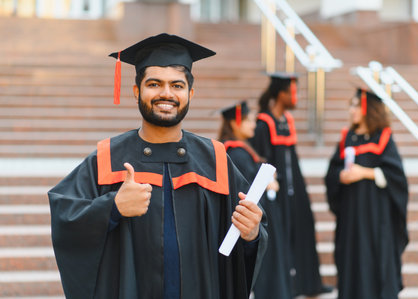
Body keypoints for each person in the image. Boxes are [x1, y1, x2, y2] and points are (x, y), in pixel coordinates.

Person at [48, 33, 268, 299]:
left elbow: (248, 237)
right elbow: (65, 217)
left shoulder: (215, 159)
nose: (166, 93)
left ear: (190, 93)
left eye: (177, 85)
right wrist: (112, 207)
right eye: (154, 84)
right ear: (136, 91)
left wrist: (252, 233)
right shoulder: (108, 157)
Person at [249, 73, 330, 297]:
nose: (297, 97)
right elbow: (260, 160)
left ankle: (308, 282)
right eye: (293, 92)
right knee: (279, 237)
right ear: (281, 94)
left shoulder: (286, 121)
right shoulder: (263, 123)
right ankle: (286, 285)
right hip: (276, 191)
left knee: (303, 229)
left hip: (295, 189)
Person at [324, 88, 409, 299]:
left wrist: (365, 173)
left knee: (376, 261)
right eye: (351, 105)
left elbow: (397, 177)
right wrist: (339, 176)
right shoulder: (348, 138)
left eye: (355, 105)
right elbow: (332, 172)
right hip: (351, 218)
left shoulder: (383, 138)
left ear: (367, 109)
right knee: (350, 261)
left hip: (376, 218)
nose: (351, 110)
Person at [218, 101, 288, 298]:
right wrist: (267, 184)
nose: (253, 125)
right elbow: (245, 187)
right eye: (249, 120)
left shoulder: (239, 149)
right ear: (235, 123)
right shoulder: (236, 152)